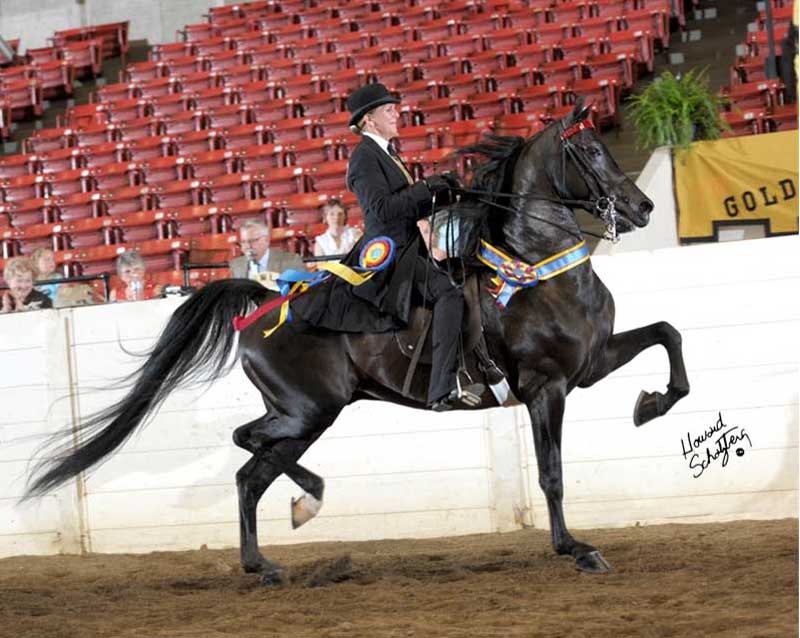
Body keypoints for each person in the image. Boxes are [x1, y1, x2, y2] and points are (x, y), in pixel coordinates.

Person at [343, 83, 475, 411]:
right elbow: (382, 211)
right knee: (448, 294)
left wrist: (443, 193)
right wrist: (425, 187)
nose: (396, 115)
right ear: (369, 120)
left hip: (409, 244)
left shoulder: (387, 153)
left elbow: (407, 205)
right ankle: (441, 387)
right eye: (389, 110)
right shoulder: (364, 157)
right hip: (390, 252)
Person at [229, 219, 305, 279]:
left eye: (253, 240)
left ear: (266, 240)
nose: (248, 246)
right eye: (243, 242)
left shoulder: (290, 261)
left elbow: (302, 290)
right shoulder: (236, 265)